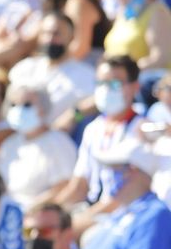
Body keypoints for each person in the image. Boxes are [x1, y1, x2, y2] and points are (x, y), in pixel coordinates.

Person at [77, 140, 171, 249]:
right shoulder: (121, 212)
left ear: (133, 172)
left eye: (114, 169)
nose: (108, 175)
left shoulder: (156, 213)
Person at [55, 56, 146, 213]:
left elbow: (127, 193)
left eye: (114, 83)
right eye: (101, 83)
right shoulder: (93, 128)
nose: (105, 89)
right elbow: (79, 186)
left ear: (134, 87)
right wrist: (50, 211)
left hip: (127, 212)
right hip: (91, 209)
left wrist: (85, 220)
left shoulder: (142, 129)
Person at [0, 85, 78, 210]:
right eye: (13, 105)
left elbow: (64, 187)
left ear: (43, 107)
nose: (19, 110)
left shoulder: (58, 142)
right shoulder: (8, 145)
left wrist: (31, 211)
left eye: (27, 105)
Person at [7, 13, 96, 116]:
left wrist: (73, 117)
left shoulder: (86, 75)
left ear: (71, 37)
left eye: (56, 34)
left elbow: (92, 107)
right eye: (45, 33)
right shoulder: (25, 67)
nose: (49, 39)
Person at [102, 0, 171, 72]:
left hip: (145, 82)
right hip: (117, 81)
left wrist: (128, 72)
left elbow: (160, 58)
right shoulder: (123, 15)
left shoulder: (157, 13)